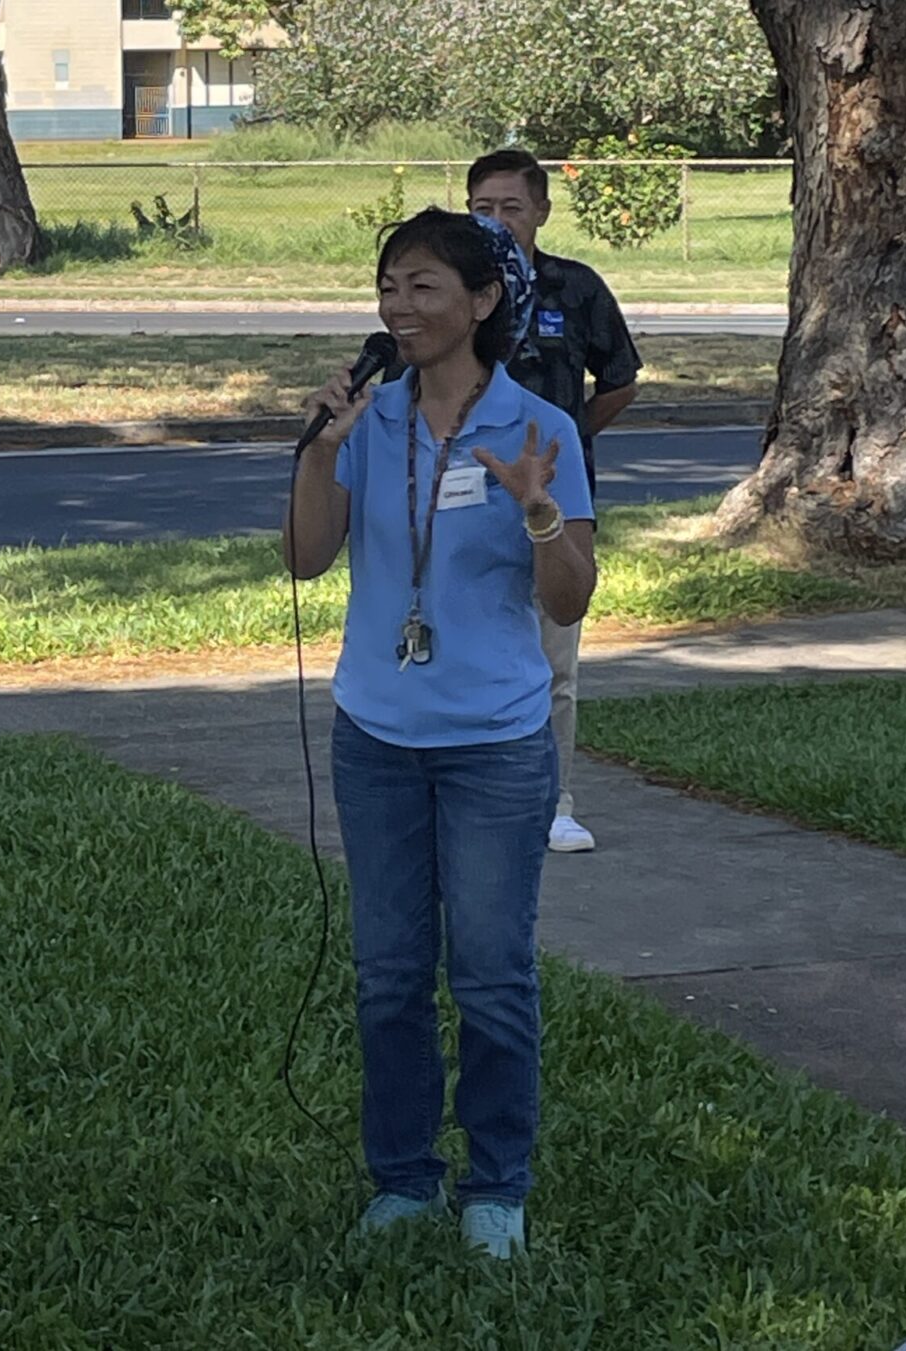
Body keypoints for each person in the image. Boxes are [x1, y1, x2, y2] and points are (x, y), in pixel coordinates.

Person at [283, 209, 596, 1257]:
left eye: (423, 287)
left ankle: (496, 1183)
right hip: (376, 734)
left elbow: (569, 601)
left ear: (482, 300)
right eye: (387, 286)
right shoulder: (367, 421)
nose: (399, 308)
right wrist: (321, 452)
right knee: (388, 971)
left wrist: (540, 516)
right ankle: (406, 1177)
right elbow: (304, 559)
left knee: (494, 972)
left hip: (496, 744)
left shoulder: (534, 426)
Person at [467, 148, 642, 854]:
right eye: (484, 208)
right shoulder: (460, 292)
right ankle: (475, 789)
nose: (499, 220)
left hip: (557, 501)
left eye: (512, 207)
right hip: (469, 492)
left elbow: (621, 379)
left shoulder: (576, 289)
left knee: (554, 659)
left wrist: (567, 442)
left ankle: (554, 798)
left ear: (541, 210)